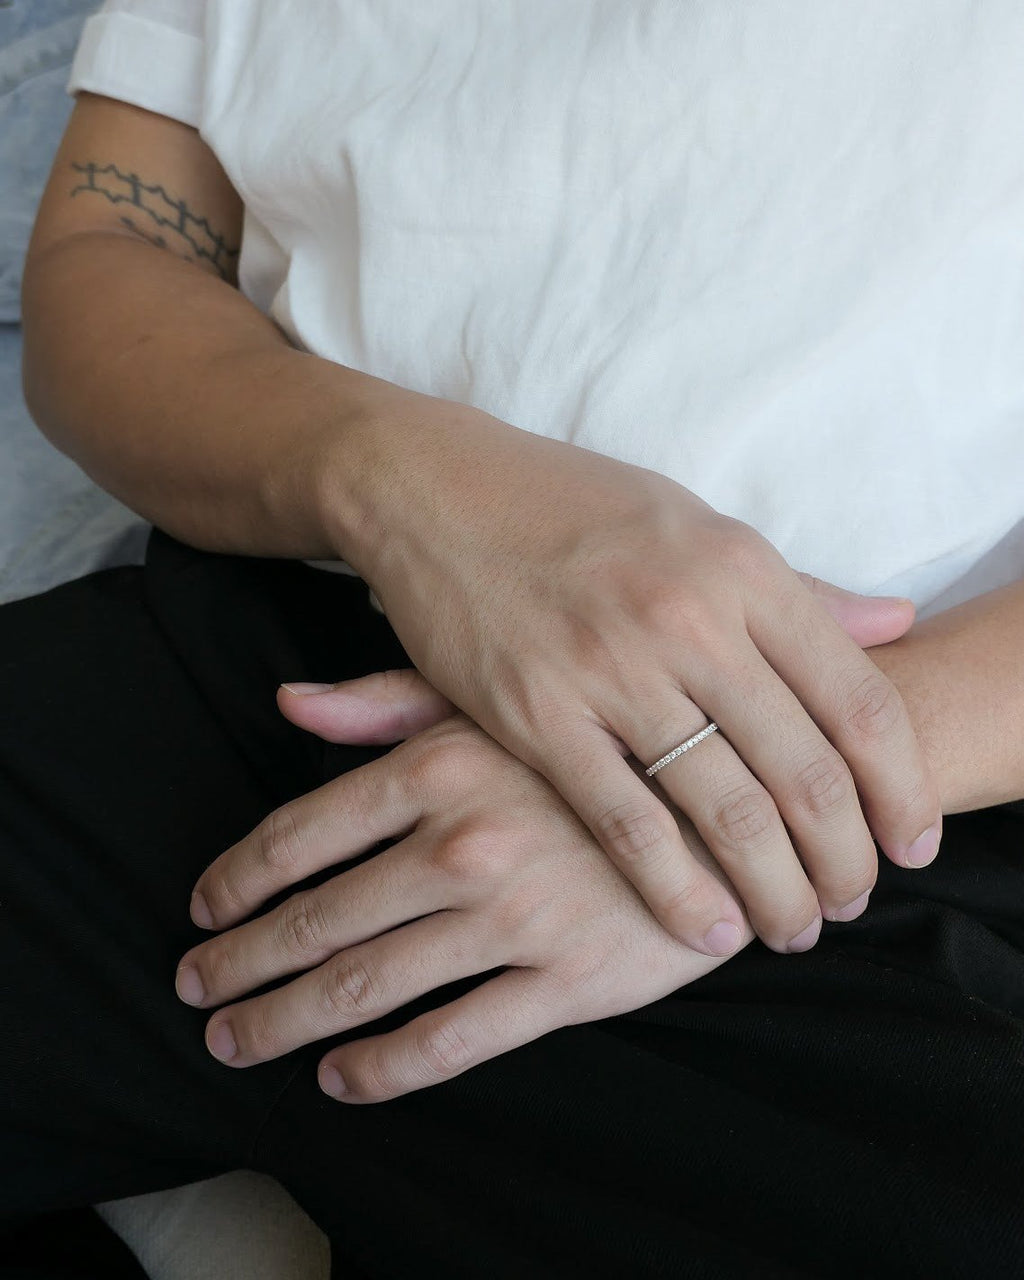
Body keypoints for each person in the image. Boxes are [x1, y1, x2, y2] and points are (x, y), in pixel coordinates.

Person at [3, 1, 1023, 1276]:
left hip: (873, 810)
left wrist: (772, 776)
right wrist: (411, 486)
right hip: (257, 660)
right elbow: (108, 256)